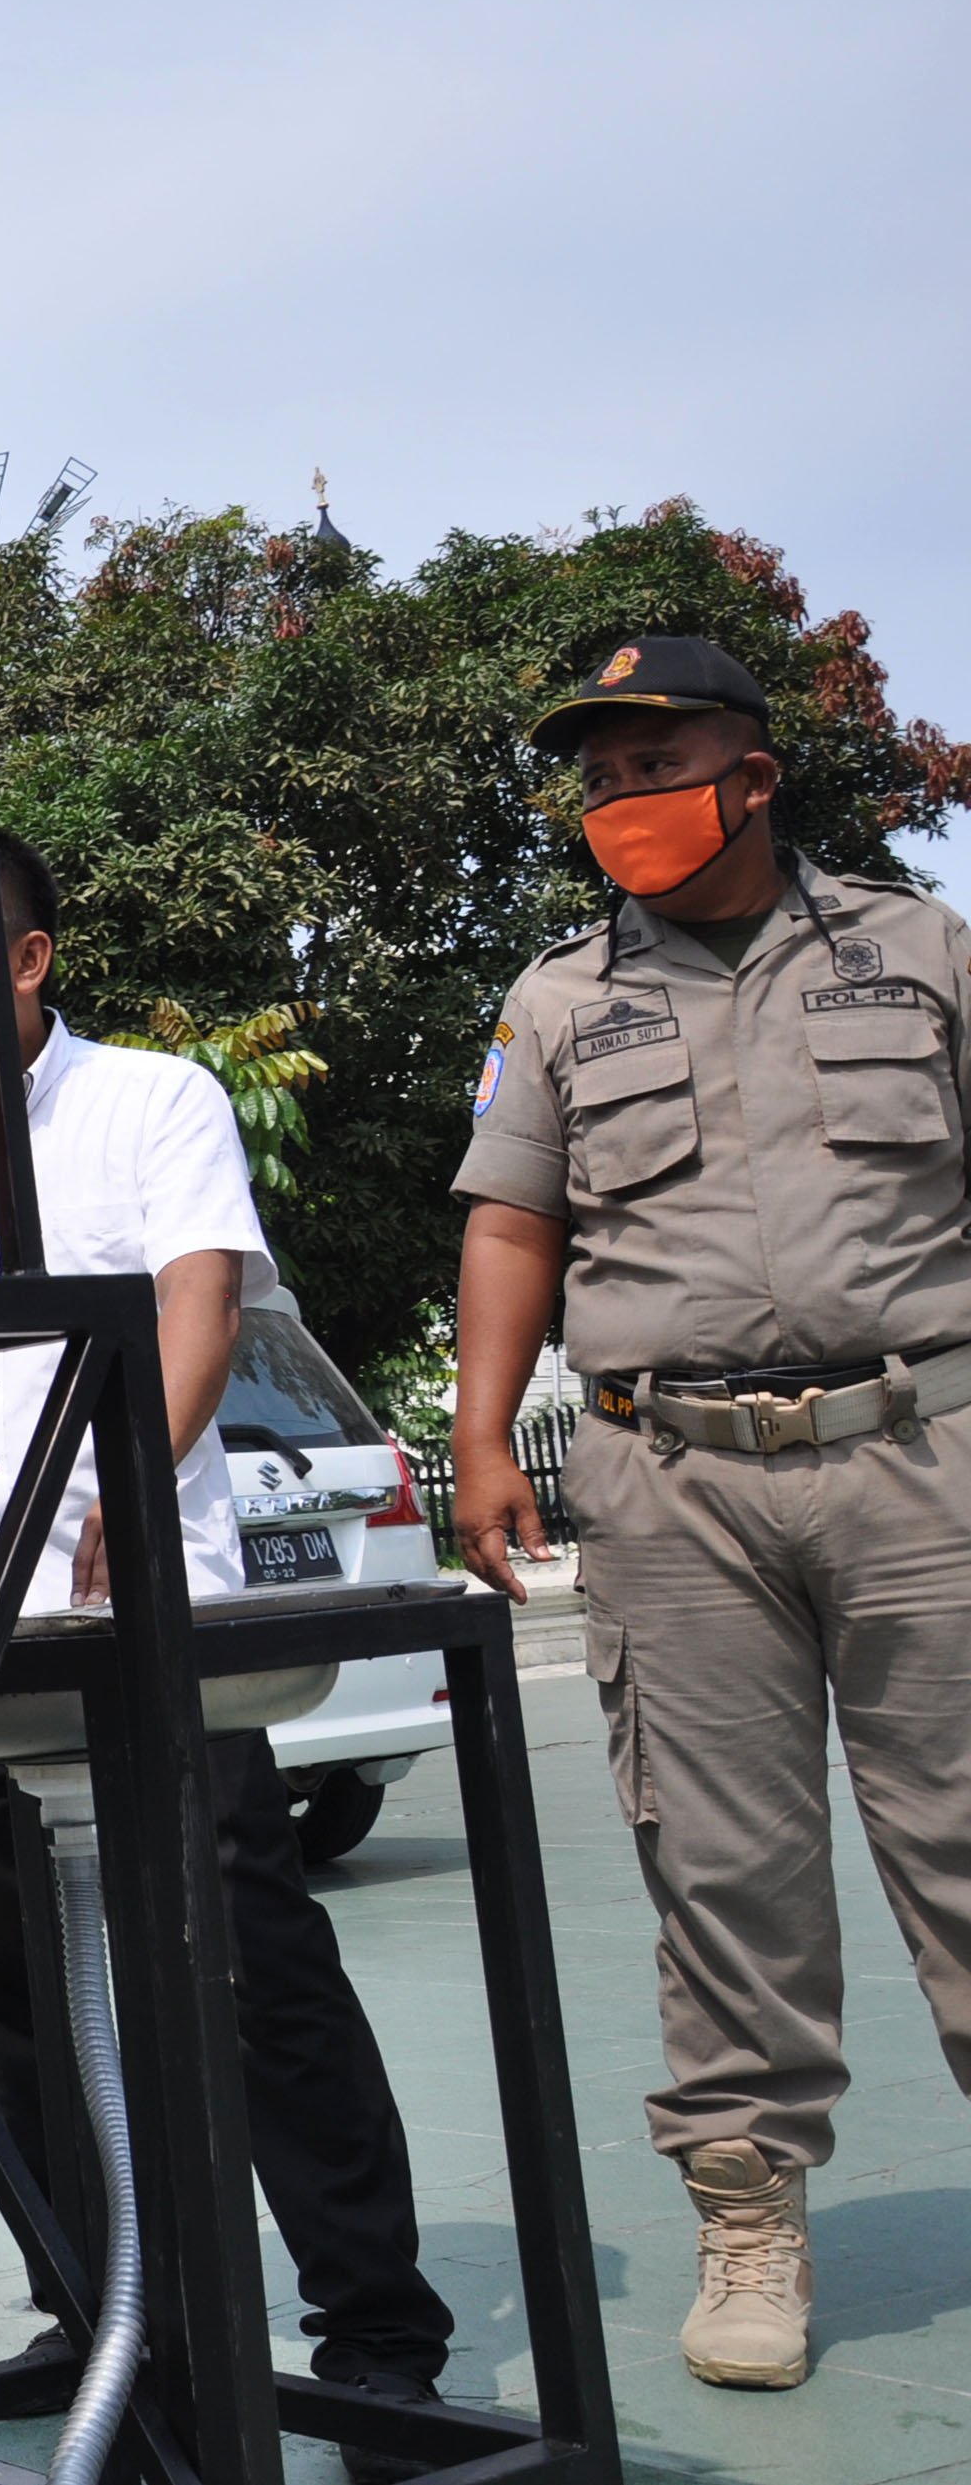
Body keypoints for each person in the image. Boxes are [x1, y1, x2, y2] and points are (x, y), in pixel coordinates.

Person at [0, 830, 456, 2464]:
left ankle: (375, 2331)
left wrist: (129, 1505)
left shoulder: (153, 1102)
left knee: (251, 1976)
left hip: (146, 1628)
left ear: (25, 960)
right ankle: (86, 2304)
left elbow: (198, 1309)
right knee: (10, 1987)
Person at [450, 635, 971, 2393]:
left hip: (926, 1458)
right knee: (725, 1870)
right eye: (595, 779)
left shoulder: (920, 952)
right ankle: (750, 2220)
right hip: (667, 1484)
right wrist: (478, 1434)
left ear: (752, 774)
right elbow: (513, 1223)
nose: (616, 805)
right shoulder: (555, 1003)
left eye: (647, 765)